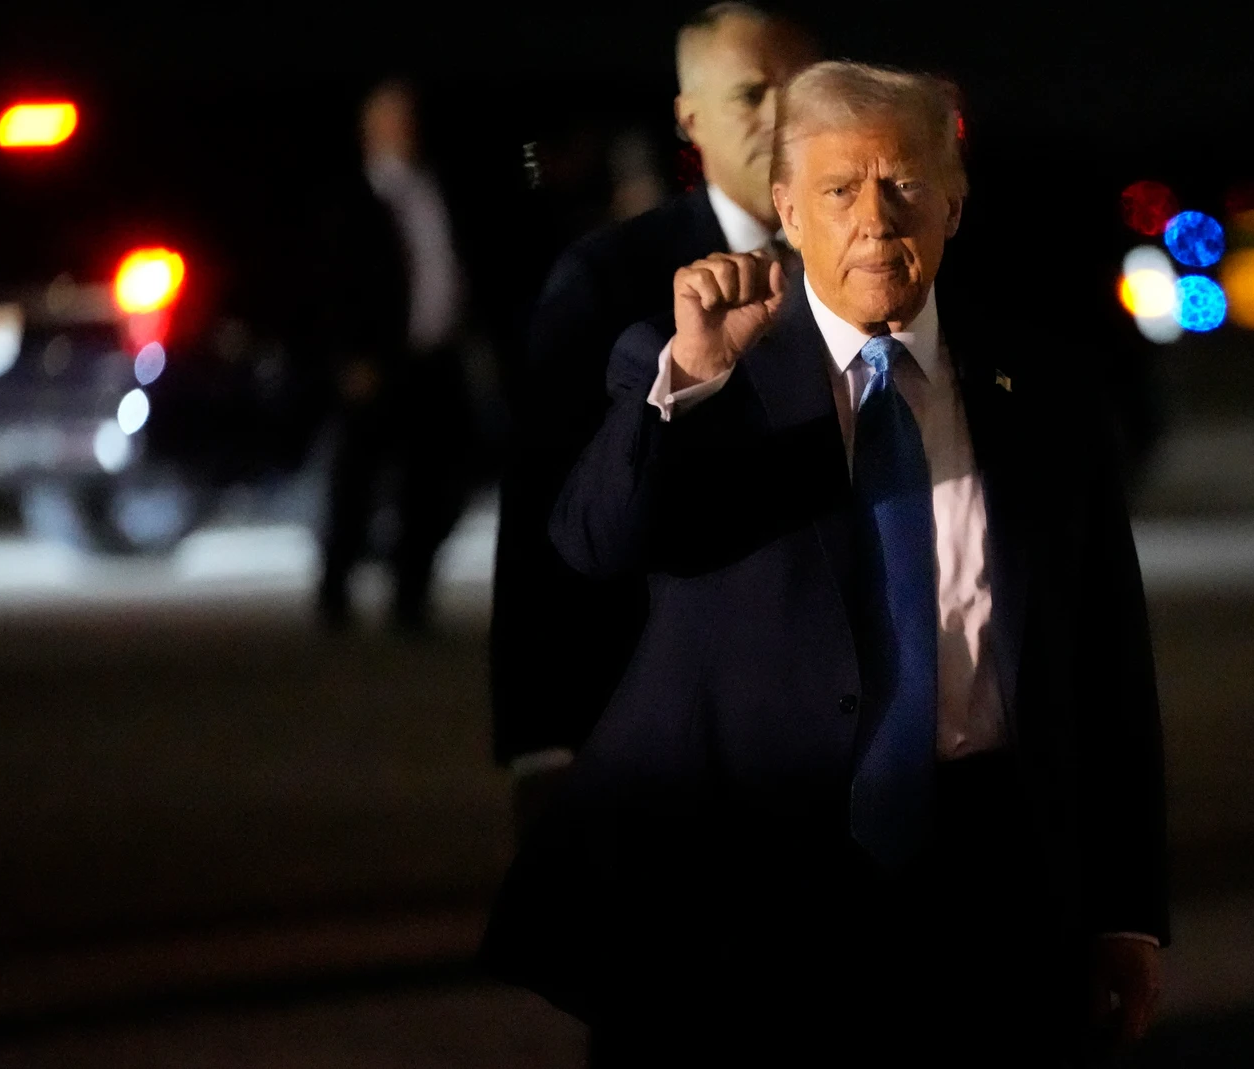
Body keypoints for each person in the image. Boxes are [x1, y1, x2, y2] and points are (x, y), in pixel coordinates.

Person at [482, 61, 1168, 1065]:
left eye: (904, 184)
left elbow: (1108, 657)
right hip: (747, 886)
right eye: (840, 190)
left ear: (954, 202)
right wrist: (689, 380)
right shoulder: (703, 371)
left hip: (990, 876)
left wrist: (1128, 909)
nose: (876, 220)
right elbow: (592, 543)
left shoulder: (1044, 389)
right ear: (786, 210)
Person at [490, 4, 816, 818]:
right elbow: (543, 512)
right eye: (750, 94)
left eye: (800, 90)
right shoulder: (610, 278)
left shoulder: (872, 268)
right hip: (652, 732)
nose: (779, 115)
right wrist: (543, 739)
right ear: (690, 118)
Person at [318, 80, 479, 633]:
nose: (403, 132)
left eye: (408, 120)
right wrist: (351, 357)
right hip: (376, 364)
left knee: (434, 481)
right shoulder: (354, 200)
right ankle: (334, 595)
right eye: (391, 121)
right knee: (355, 482)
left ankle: (410, 598)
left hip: (436, 358)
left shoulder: (441, 189)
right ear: (370, 131)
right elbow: (334, 286)